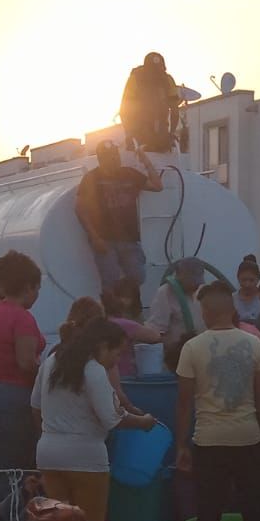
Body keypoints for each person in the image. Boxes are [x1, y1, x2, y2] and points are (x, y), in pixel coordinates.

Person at [174, 282, 260, 521]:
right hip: (248, 437)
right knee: (254, 509)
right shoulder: (254, 344)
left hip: (209, 439)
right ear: (232, 310)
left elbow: (184, 403)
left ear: (205, 312)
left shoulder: (192, 348)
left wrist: (181, 445)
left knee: (209, 512)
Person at [31, 318, 158, 521]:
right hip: (86, 458)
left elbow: (35, 406)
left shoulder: (51, 361)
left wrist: (47, 435)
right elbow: (112, 419)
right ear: (102, 346)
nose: (115, 361)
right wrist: (143, 422)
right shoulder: (94, 370)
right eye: (116, 354)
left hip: (48, 455)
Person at [75, 140, 162, 310]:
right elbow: (79, 208)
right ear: (101, 159)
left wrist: (145, 159)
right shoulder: (91, 178)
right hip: (105, 240)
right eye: (109, 157)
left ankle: (134, 312)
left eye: (116, 155)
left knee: (138, 276)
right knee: (110, 281)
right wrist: (94, 237)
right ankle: (111, 317)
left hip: (129, 238)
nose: (114, 159)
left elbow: (158, 186)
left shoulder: (129, 174)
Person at [0, 250, 45, 471]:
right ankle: (11, 507)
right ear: (28, 286)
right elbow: (26, 362)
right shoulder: (22, 317)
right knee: (17, 470)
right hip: (14, 399)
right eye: (37, 289)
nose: (37, 295)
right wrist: (51, 378)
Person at [120, 51, 181, 152]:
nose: (156, 75)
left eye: (160, 70)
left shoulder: (167, 80)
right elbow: (125, 110)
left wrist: (172, 133)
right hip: (139, 131)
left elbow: (175, 110)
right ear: (146, 69)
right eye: (153, 71)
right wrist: (129, 134)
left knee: (164, 161)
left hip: (161, 131)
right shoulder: (135, 79)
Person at [149, 257, 206, 350]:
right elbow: (156, 332)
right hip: (177, 352)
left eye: (198, 278)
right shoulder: (165, 292)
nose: (196, 284)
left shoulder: (203, 290)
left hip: (202, 349)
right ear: (179, 275)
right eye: (191, 278)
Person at [234, 259, 260, 323]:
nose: (247, 284)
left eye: (251, 280)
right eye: (244, 280)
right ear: (238, 278)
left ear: (258, 278)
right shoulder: (232, 300)